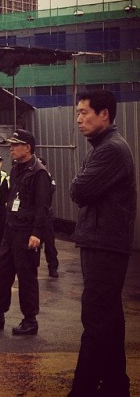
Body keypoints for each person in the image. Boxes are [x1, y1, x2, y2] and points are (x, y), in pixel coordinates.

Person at [68, 90, 136, 397]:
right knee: (109, 318)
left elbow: (79, 190)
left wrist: (79, 181)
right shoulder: (102, 147)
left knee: (95, 319)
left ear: (104, 113)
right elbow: (83, 186)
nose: (79, 119)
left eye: (85, 112)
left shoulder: (110, 150)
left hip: (105, 244)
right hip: (102, 242)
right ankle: (115, 386)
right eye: (78, 113)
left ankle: (82, 390)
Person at [0, 129, 52, 336]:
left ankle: (30, 320)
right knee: (2, 274)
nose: (11, 149)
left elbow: (42, 207)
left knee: (26, 276)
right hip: (11, 230)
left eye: (15, 145)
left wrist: (36, 233)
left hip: (27, 233)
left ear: (27, 148)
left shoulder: (39, 172)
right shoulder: (17, 169)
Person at [37, 157, 59, 278]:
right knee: (35, 243)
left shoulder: (49, 177)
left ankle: (53, 267)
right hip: (35, 215)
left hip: (47, 215)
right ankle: (34, 266)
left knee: (50, 243)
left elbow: (49, 191)